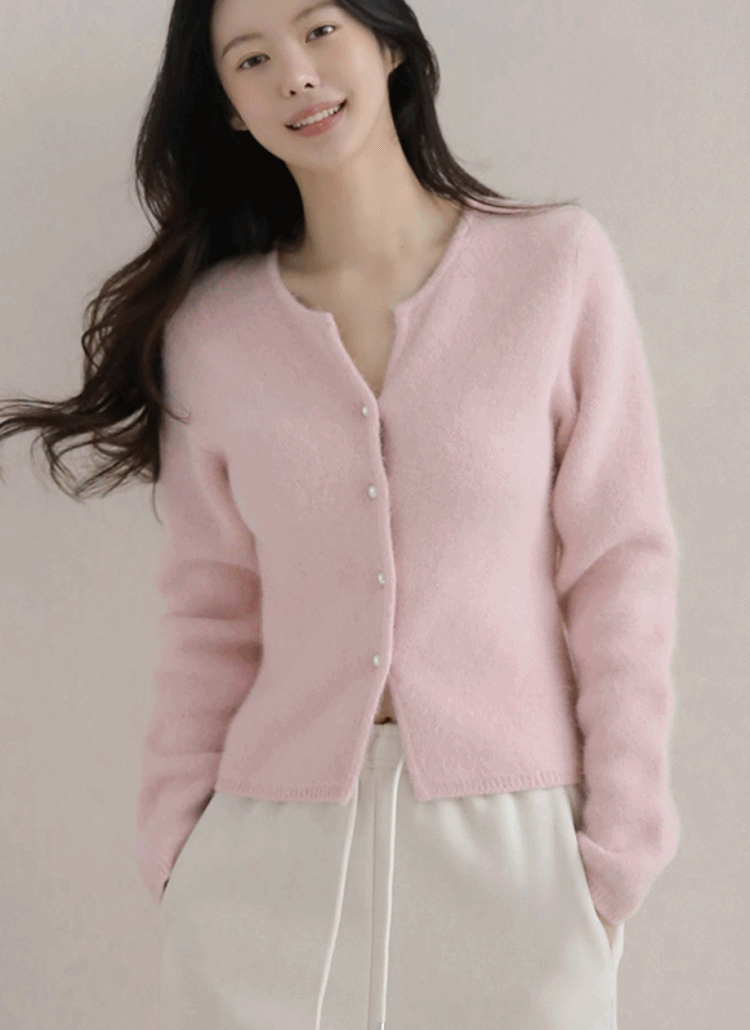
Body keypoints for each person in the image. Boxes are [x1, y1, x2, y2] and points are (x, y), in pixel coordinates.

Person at [0, 1, 681, 1028]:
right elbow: (210, 610)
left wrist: (619, 841)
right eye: (252, 58)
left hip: (519, 851)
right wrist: (178, 853)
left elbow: (620, 566)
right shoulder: (213, 329)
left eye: (320, 30)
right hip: (268, 858)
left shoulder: (554, 268)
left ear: (388, 40)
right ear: (229, 107)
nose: (296, 75)